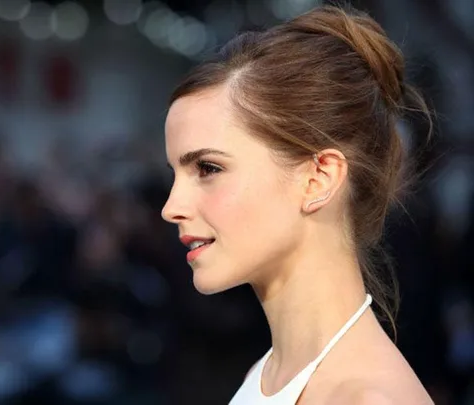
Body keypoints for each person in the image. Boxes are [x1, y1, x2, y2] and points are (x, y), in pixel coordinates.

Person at [161, 5, 434, 405]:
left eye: (208, 168)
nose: (171, 207)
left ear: (318, 179)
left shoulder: (370, 399)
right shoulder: (266, 373)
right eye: (175, 173)